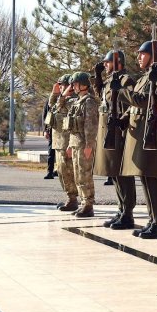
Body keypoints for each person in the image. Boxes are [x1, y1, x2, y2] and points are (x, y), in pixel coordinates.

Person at [119, 40, 157, 238]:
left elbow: (144, 101)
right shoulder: (143, 79)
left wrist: (122, 92)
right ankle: (152, 219)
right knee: (145, 178)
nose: (138, 57)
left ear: (153, 56)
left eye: (143, 53)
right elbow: (135, 106)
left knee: (153, 179)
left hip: (152, 133)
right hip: (141, 133)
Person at [94, 49, 137, 229]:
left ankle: (128, 213)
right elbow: (101, 95)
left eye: (107, 62)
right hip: (107, 130)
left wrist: (122, 122)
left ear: (117, 63)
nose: (105, 65)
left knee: (122, 173)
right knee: (115, 172)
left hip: (119, 130)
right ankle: (121, 209)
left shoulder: (126, 80)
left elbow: (130, 104)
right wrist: (97, 76)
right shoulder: (110, 80)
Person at [65, 72, 99, 218]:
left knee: (85, 174)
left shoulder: (89, 102)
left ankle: (88, 204)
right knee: (78, 175)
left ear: (83, 85)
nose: (73, 86)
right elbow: (72, 126)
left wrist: (89, 145)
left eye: (75, 84)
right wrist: (69, 145)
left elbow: (90, 126)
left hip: (84, 144)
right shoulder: (77, 102)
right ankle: (83, 202)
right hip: (76, 143)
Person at [48, 75, 79, 211]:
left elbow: (57, 106)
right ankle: (70, 198)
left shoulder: (73, 101)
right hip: (59, 143)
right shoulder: (62, 99)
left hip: (67, 144)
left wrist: (63, 95)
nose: (60, 88)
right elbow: (52, 107)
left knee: (70, 174)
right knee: (61, 173)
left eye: (63, 85)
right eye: (59, 85)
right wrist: (55, 93)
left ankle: (74, 200)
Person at [42, 98, 57, 179]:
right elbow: (46, 115)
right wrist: (45, 130)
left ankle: (59, 170)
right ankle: (50, 172)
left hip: (64, 131)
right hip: (52, 130)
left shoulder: (69, 97)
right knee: (51, 152)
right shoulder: (50, 100)